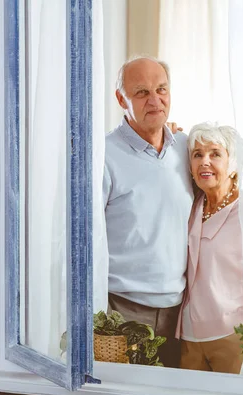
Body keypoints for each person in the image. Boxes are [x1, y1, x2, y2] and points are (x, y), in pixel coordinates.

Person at [102, 56, 193, 368]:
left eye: (162, 89)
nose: (155, 100)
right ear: (121, 99)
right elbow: (80, 239)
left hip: (180, 309)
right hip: (122, 309)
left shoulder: (186, 146)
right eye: (141, 93)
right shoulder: (103, 155)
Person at [176, 122, 243, 374]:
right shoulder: (191, 205)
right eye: (197, 155)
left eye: (215, 154)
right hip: (189, 333)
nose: (204, 162)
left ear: (233, 166)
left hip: (232, 334)